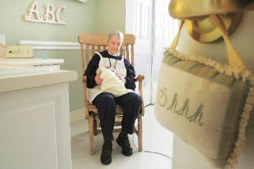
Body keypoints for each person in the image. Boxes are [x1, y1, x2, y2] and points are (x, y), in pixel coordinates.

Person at [84, 31, 142, 165]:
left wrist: (125, 79)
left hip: (120, 90)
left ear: (121, 45)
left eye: (118, 44)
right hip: (102, 91)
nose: (115, 46)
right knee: (107, 101)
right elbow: (87, 76)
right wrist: (95, 79)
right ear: (108, 43)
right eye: (113, 43)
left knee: (135, 99)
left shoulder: (124, 61)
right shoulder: (98, 57)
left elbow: (132, 81)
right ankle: (107, 142)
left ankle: (123, 136)